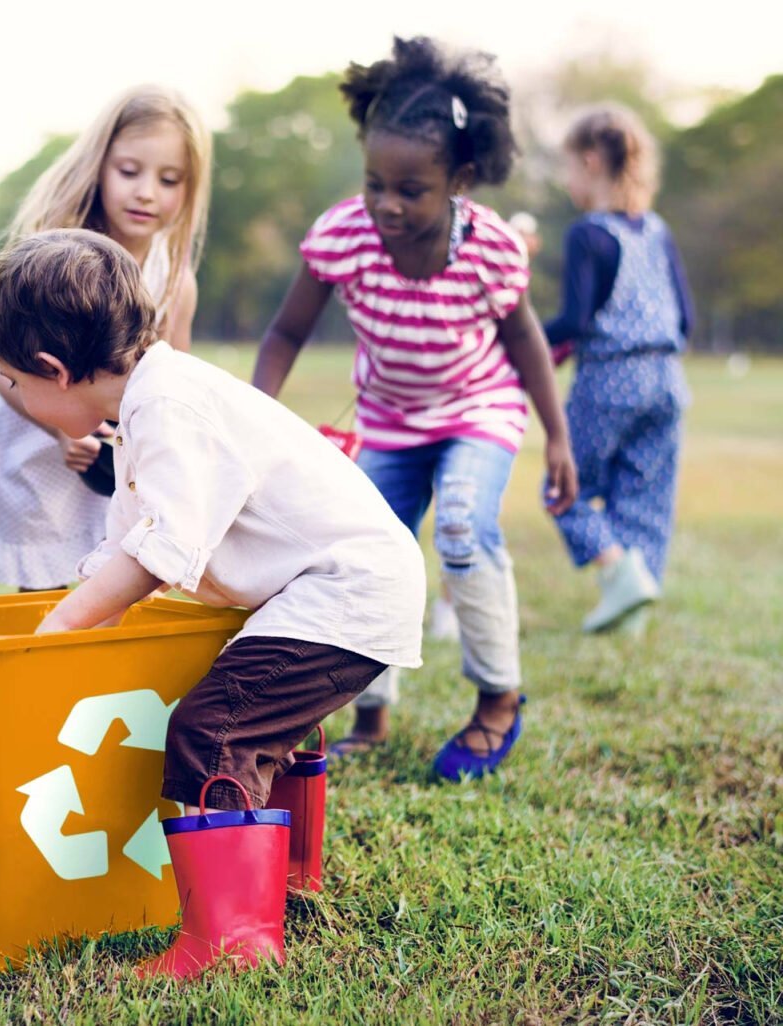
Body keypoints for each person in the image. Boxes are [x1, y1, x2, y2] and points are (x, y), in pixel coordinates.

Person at [0, 228, 424, 974]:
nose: (15, 399)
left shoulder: (170, 408)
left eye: (13, 384)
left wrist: (58, 628)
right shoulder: (155, 400)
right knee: (257, 723)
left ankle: (234, 943)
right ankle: (283, 887)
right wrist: (82, 635)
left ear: (53, 370)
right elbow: (126, 549)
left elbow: (158, 552)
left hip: (344, 591)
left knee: (215, 731)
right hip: (331, 589)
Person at [251, 36, 579, 781]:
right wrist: (256, 419)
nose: (387, 205)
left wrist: (557, 436)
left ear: (460, 179)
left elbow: (525, 341)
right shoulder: (344, 235)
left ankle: (498, 700)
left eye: (411, 189)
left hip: (477, 408)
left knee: (462, 524)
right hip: (392, 421)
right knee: (368, 553)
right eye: (375, 183)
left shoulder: (490, 249)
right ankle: (372, 709)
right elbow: (285, 331)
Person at [0, 85, 212, 590]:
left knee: (112, 582)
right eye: (129, 171)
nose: (147, 192)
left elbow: (172, 384)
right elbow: (1, 365)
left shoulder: (174, 280)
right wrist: (62, 431)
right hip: (37, 447)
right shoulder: (52, 256)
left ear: (189, 189)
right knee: (43, 591)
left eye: (169, 179)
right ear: (99, 166)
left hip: (112, 460)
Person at [544, 104, 693, 633]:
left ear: (589, 162)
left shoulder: (588, 234)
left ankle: (618, 576)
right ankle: (631, 612)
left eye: (566, 168)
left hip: (610, 378)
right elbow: (687, 317)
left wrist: (520, 338)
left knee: (566, 489)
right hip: (668, 380)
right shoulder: (658, 230)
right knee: (645, 498)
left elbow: (575, 320)